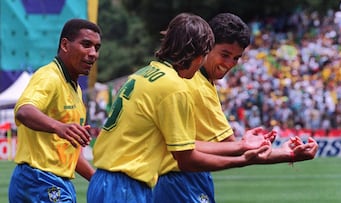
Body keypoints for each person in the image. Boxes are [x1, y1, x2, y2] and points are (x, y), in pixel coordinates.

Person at [87, 12, 272, 203]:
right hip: (125, 186)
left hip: (109, 180)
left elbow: (187, 145)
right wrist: (242, 158)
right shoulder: (174, 87)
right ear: (197, 53)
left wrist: (241, 145)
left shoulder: (144, 73)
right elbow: (186, 158)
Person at [153, 13, 319, 203]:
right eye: (225, 54)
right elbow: (233, 148)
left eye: (236, 58)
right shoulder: (198, 86)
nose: (229, 64)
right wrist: (287, 154)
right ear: (207, 46)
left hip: (179, 179)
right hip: (179, 182)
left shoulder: (197, 80)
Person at [8, 18, 102, 203]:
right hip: (39, 180)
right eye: (86, 45)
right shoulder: (49, 76)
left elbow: (69, 154)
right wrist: (59, 127)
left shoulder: (75, 89)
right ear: (65, 45)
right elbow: (24, 111)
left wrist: (98, 180)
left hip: (54, 182)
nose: (93, 53)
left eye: (97, 48)